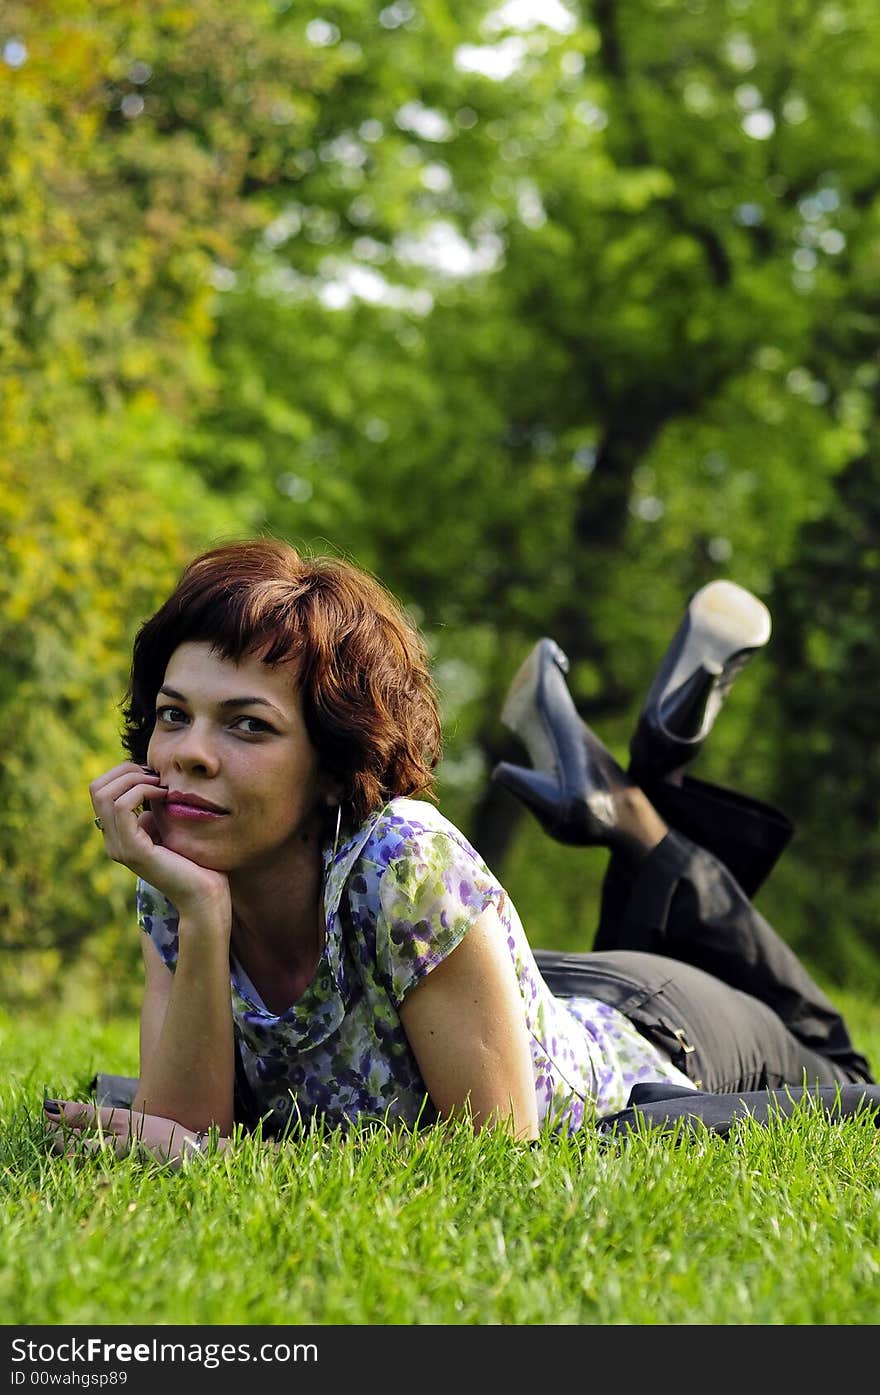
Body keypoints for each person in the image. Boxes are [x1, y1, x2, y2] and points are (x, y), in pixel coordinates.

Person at [44, 543, 874, 1165]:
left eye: (248, 724)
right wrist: (199, 912)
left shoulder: (405, 859)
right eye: (173, 713)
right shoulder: (178, 871)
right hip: (511, 988)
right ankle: (629, 796)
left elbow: (491, 1161)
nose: (186, 752)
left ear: (335, 764)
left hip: (655, 1028)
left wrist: (220, 1160)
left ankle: (636, 813)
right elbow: (183, 1133)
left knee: (841, 1067)